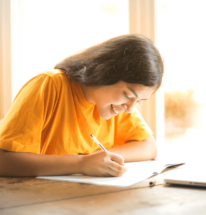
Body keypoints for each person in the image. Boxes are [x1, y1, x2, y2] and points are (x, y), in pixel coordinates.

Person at [0, 34, 164, 177]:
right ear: (105, 72)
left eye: (139, 102)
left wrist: (97, 157)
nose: (130, 108)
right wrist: (81, 163)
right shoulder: (49, 84)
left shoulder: (118, 106)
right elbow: (4, 161)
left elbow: (149, 147)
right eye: (128, 95)